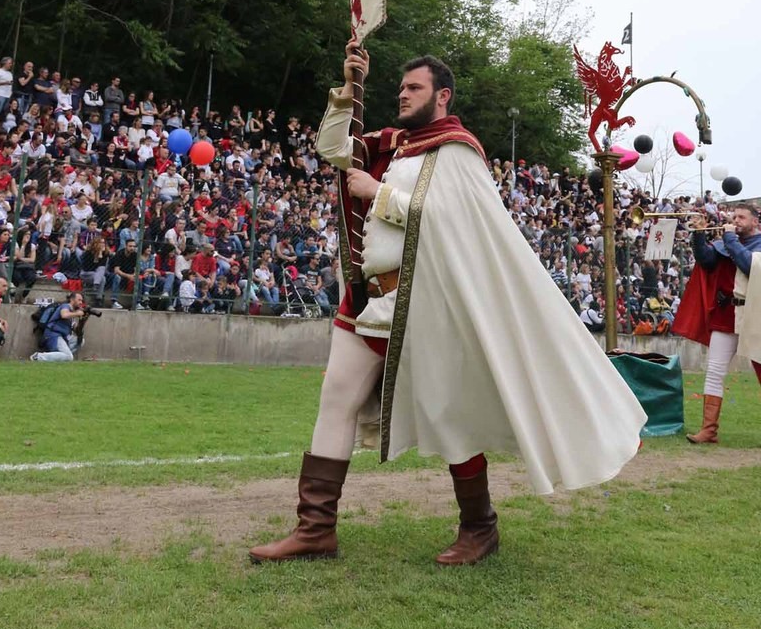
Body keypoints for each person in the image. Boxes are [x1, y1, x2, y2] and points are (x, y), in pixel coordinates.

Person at [249, 44, 646, 568]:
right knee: (335, 400)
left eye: (413, 88)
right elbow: (330, 148)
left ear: (442, 96)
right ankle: (315, 529)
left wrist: (378, 193)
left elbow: (456, 225)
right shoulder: (396, 145)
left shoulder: (457, 151)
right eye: (400, 89)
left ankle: (479, 528)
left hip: (425, 301)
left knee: (451, 414)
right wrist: (348, 90)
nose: (403, 95)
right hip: (369, 299)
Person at [674, 206, 761, 443]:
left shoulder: (756, 244)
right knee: (714, 372)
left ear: (755, 221)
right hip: (725, 315)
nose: (736, 221)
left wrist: (730, 237)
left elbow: (748, 265)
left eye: (741, 217)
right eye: (734, 217)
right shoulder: (728, 242)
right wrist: (699, 235)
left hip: (755, 316)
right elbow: (707, 260)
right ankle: (709, 430)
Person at [30, 291, 86, 362]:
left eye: (82, 300)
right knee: (69, 357)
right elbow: (64, 315)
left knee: (80, 341)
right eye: (79, 300)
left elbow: (77, 330)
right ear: (72, 299)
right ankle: (38, 357)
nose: (81, 302)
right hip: (53, 335)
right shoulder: (65, 306)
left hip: (63, 338)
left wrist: (83, 321)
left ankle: (57, 356)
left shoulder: (72, 313)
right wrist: (77, 313)